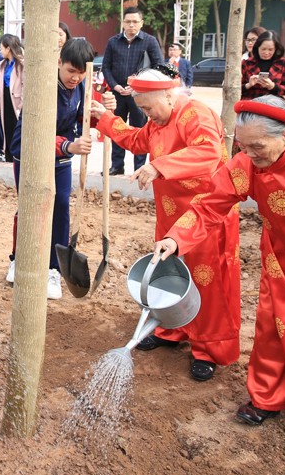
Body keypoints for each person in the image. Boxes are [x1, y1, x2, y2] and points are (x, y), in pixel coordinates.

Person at [153, 95, 285, 456]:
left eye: (258, 146)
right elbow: (210, 202)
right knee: (274, 330)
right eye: (243, 147)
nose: (251, 155)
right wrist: (175, 238)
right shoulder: (247, 164)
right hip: (283, 260)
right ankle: (268, 398)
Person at [93, 64, 241, 381]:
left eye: (148, 107)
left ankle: (208, 348)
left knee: (207, 281)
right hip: (171, 213)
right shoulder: (158, 121)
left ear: (169, 94)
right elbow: (136, 140)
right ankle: (173, 330)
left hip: (205, 212)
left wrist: (159, 167)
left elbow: (208, 153)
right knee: (171, 271)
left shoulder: (195, 114)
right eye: (142, 109)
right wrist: (104, 120)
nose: (147, 115)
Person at [8, 39, 115, 299]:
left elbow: (79, 115)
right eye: (71, 71)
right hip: (29, 156)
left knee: (60, 209)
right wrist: (69, 145)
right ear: (59, 63)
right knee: (30, 208)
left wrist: (102, 111)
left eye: (81, 73)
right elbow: (35, 134)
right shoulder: (42, 89)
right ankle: (18, 260)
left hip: (62, 159)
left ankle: (54, 269)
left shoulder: (80, 87)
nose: (75, 78)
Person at [102, 6, 163, 176]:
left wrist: (137, 84)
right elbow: (106, 67)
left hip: (139, 94)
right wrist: (115, 86)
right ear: (122, 23)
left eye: (135, 22)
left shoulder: (149, 41)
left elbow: (159, 66)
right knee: (116, 128)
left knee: (140, 130)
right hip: (118, 93)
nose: (131, 25)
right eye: (128, 21)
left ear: (141, 23)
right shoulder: (113, 42)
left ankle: (139, 167)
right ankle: (117, 165)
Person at [0, 33, 24, 163]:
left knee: (17, 128)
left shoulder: (22, 63)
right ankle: (9, 155)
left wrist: (22, 103)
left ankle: (18, 155)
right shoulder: (3, 64)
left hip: (17, 100)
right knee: (6, 128)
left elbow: (25, 84)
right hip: (5, 99)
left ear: (9, 48)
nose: (0, 51)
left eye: (2, 48)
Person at [240, 30, 285, 99]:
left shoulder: (283, 63)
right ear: (257, 47)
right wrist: (249, 85)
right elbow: (235, 88)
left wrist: (273, 86)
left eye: (270, 50)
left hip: (273, 103)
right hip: (250, 101)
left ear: (276, 49)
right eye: (263, 49)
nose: (266, 52)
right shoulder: (246, 63)